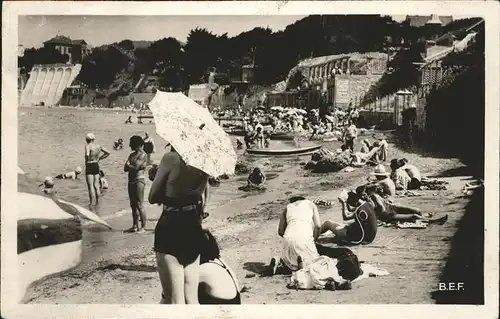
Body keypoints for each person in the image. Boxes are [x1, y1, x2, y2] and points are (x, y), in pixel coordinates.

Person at [149, 146, 210, 304]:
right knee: (192, 298)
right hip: (193, 223)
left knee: (175, 300)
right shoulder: (205, 159)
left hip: (171, 223)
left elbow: (152, 197)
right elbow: (198, 195)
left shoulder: (171, 158)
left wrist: (162, 181)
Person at [160, 229, 241, 304]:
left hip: (222, 314)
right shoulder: (218, 261)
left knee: (179, 295)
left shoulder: (202, 270)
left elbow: (169, 294)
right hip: (231, 311)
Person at [268, 196, 321, 275]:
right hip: (305, 238)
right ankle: (302, 262)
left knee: (288, 260)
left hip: (288, 238)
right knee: (315, 261)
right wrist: (314, 239)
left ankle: (278, 260)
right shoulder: (311, 205)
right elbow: (318, 226)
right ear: (304, 199)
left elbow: (280, 231)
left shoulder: (287, 207)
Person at [124, 135, 148, 233]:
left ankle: (143, 227)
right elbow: (125, 168)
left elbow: (135, 167)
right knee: (132, 205)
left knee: (139, 204)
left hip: (139, 180)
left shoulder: (143, 154)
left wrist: (130, 165)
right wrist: (130, 166)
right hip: (131, 180)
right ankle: (135, 226)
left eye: (131, 143)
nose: (129, 145)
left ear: (136, 144)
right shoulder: (132, 155)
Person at [84, 133, 110, 211]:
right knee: (96, 185)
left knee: (90, 186)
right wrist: (99, 158)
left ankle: (92, 204)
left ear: (87, 139)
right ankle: (98, 203)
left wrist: (86, 161)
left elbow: (87, 154)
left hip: (90, 165)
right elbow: (108, 152)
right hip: (96, 164)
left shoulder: (87, 146)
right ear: (93, 139)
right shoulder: (98, 146)